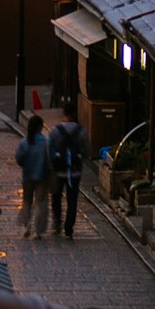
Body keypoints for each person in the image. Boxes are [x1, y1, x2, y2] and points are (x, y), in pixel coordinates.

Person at [48, 102, 90, 240]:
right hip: (75, 171)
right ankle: (68, 229)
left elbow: (50, 150)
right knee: (72, 201)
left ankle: (57, 223)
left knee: (56, 197)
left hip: (58, 170)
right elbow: (86, 151)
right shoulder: (81, 131)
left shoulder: (55, 130)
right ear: (75, 114)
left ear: (64, 113)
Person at [15, 114, 50, 239]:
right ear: (40, 127)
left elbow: (19, 159)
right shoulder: (46, 142)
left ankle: (27, 226)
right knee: (40, 202)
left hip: (27, 175)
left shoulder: (25, 142)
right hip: (42, 176)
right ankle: (37, 231)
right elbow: (50, 159)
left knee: (27, 201)